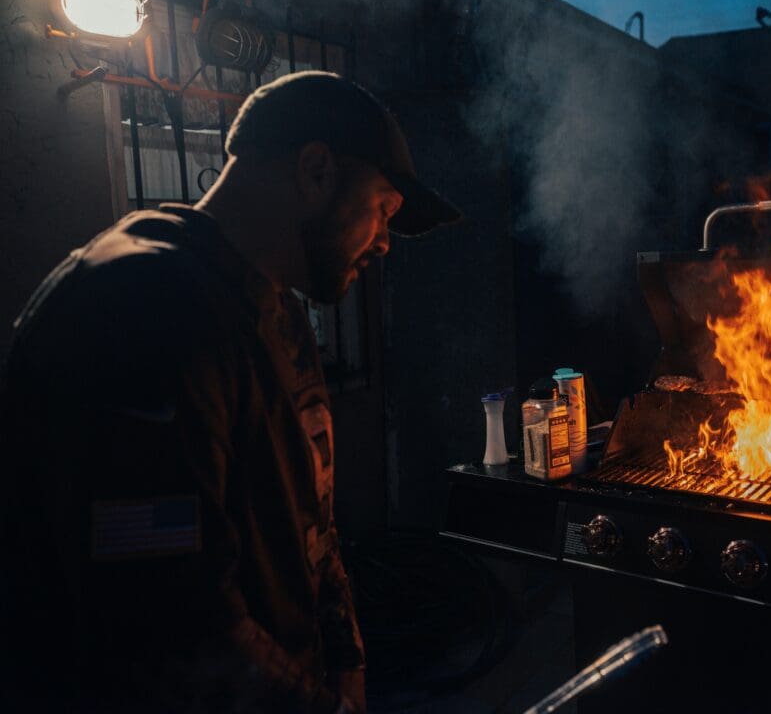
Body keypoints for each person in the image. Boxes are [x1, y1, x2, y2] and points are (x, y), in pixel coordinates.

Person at [0, 71, 461, 713]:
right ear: (316, 169)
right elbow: (172, 626)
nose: (385, 241)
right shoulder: (138, 308)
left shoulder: (275, 310)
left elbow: (317, 536)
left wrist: (348, 671)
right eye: (383, 208)